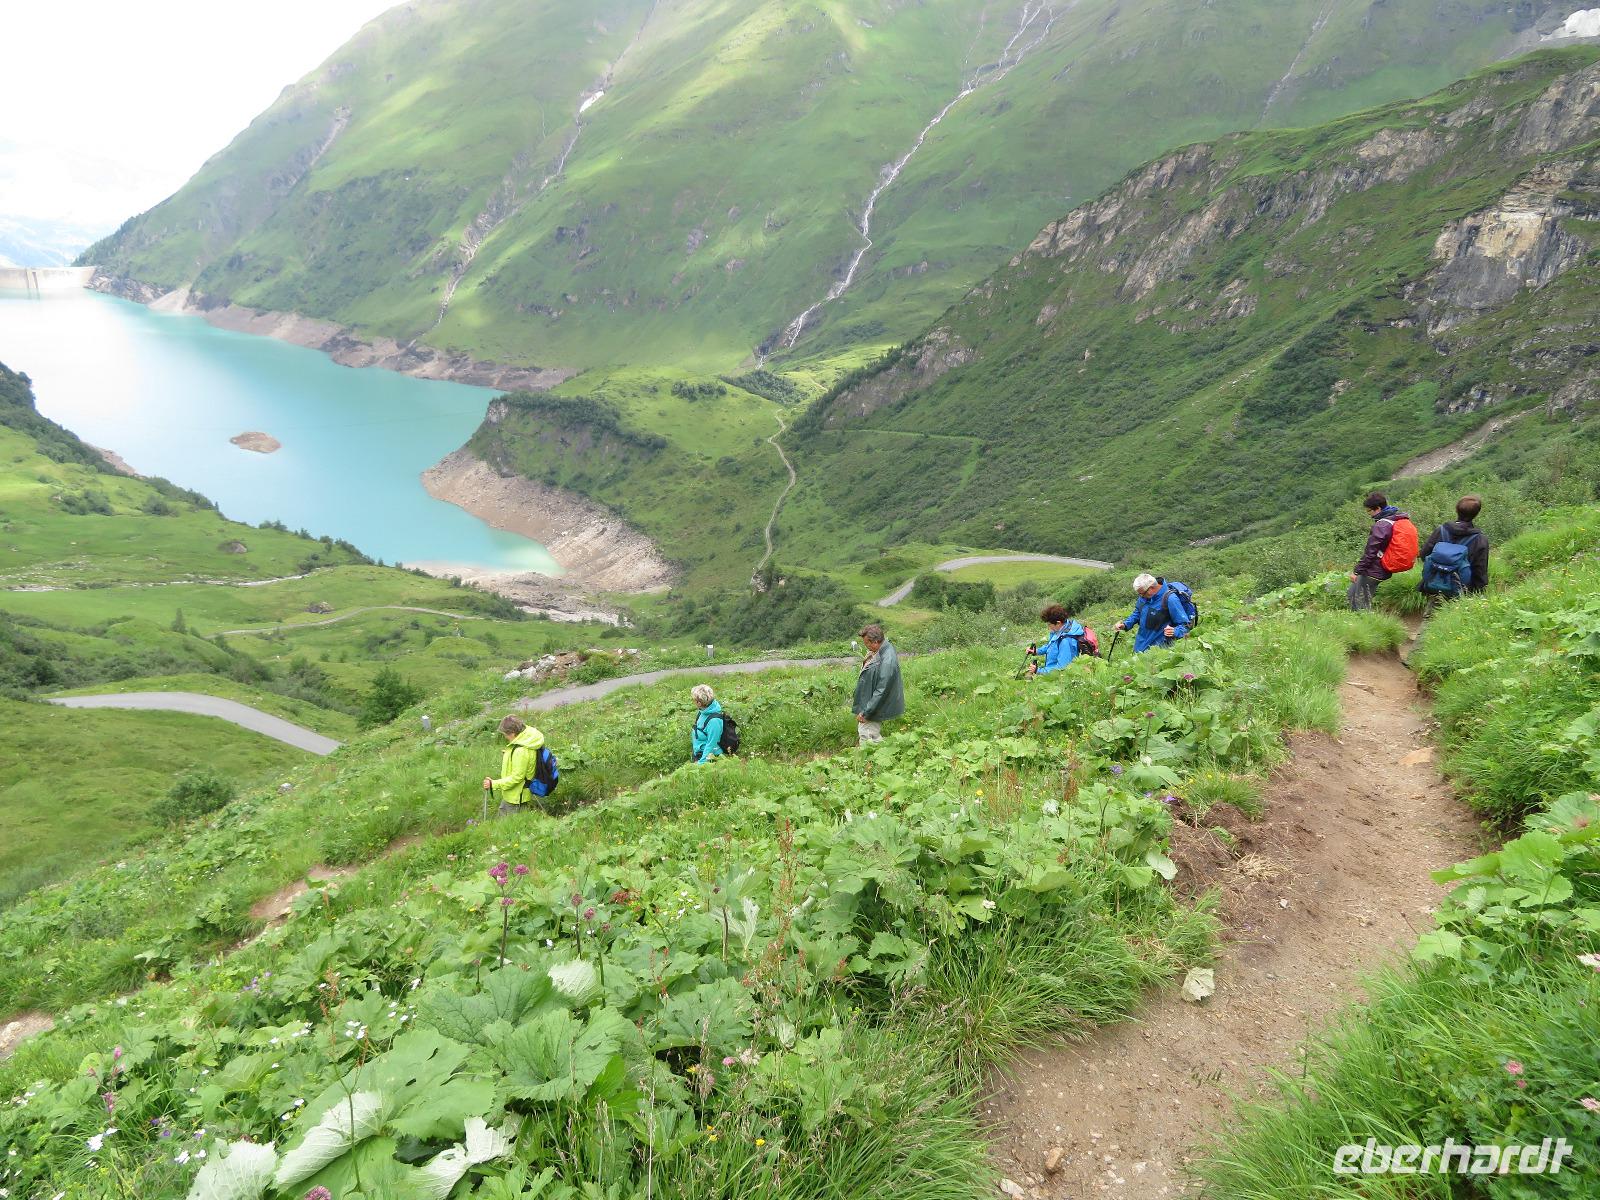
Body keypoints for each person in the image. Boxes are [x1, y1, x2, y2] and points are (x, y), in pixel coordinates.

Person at [1349, 491, 1418, 611]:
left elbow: (1370, 552)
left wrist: (1356, 571)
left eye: (1369, 511)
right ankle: (1360, 621)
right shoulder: (1396, 519)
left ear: (1378, 508)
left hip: (1374, 570)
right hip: (1381, 568)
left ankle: (1366, 626)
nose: (1369, 514)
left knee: (1360, 605)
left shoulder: (1381, 526)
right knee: (1352, 593)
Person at [1418, 494, 1489, 599]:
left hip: (1434, 584)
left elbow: (1424, 555)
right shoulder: (1480, 539)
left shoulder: (1441, 530)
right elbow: (1480, 569)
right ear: (1476, 514)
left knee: (1433, 612)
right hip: (1463, 589)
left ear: (1457, 510)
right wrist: (1479, 592)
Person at [482, 714, 546, 816]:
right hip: (513, 795)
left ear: (512, 733)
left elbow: (517, 778)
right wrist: (508, 754)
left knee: (507, 827)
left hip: (516, 797)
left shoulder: (520, 751)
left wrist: (493, 784)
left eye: (505, 734)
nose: (505, 736)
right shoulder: (526, 740)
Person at [852, 623, 904, 744]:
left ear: (875, 641)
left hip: (874, 705)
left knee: (867, 735)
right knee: (871, 734)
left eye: (867, 644)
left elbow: (882, 689)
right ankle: (879, 756)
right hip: (871, 702)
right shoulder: (881, 650)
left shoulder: (887, 660)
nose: (867, 647)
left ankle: (870, 760)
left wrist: (866, 712)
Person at [1116, 574, 1192, 653]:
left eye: (1142, 593)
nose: (1140, 596)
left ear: (1151, 588)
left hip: (1159, 652)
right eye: (1139, 594)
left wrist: (1175, 631)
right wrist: (1125, 624)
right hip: (1140, 647)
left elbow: (1185, 625)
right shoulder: (1144, 596)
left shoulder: (1170, 599)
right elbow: (1138, 612)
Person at [1029, 604, 1086, 674]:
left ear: (1058, 623)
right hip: (1050, 671)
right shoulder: (1061, 629)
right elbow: (1052, 646)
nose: (1048, 627)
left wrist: (1038, 671)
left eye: (1049, 624)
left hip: (1057, 679)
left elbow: (1062, 669)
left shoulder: (1066, 641)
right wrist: (1036, 651)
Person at [690, 684, 725, 763]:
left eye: (694, 700)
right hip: (699, 752)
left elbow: (711, 744)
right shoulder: (703, 711)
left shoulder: (714, 721)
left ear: (699, 703)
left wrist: (701, 763)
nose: (693, 701)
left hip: (709, 758)